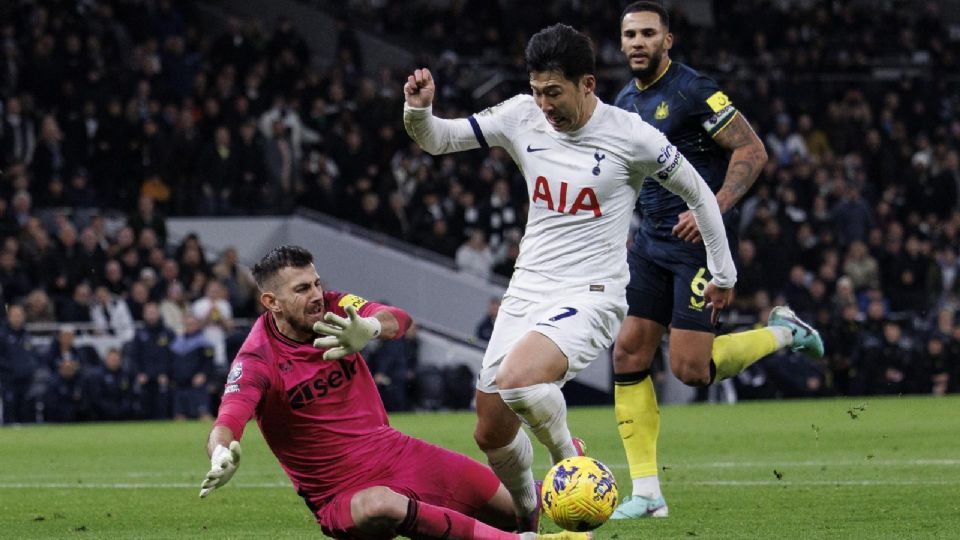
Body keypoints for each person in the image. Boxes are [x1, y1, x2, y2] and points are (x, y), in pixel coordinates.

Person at [403, 23, 736, 532]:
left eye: (553, 93)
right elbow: (437, 140)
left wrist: (723, 273)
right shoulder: (520, 115)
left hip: (593, 294)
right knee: (490, 431)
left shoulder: (633, 136)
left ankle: (569, 458)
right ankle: (526, 517)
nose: (544, 105)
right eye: (537, 91)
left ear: (587, 84)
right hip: (527, 290)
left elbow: (700, 195)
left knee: (519, 380)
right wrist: (418, 109)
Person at [198, 245, 584, 540]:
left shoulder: (336, 309)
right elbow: (228, 420)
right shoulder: (257, 359)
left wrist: (369, 328)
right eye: (302, 289)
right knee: (380, 504)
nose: (317, 294)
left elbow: (399, 318)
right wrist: (219, 453)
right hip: (341, 495)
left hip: (399, 452)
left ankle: (565, 481)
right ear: (271, 302)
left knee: (520, 507)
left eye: (317, 282)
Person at [609, 2, 825, 519]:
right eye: (629, 35)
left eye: (648, 34)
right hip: (649, 245)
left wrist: (715, 205)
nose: (638, 42)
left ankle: (784, 332)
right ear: (620, 44)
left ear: (668, 39)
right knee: (628, 354)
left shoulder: (693, 90)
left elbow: (752, 149)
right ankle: (647, 493)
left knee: (691, 370)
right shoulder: (620, 101)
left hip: (697, 246)